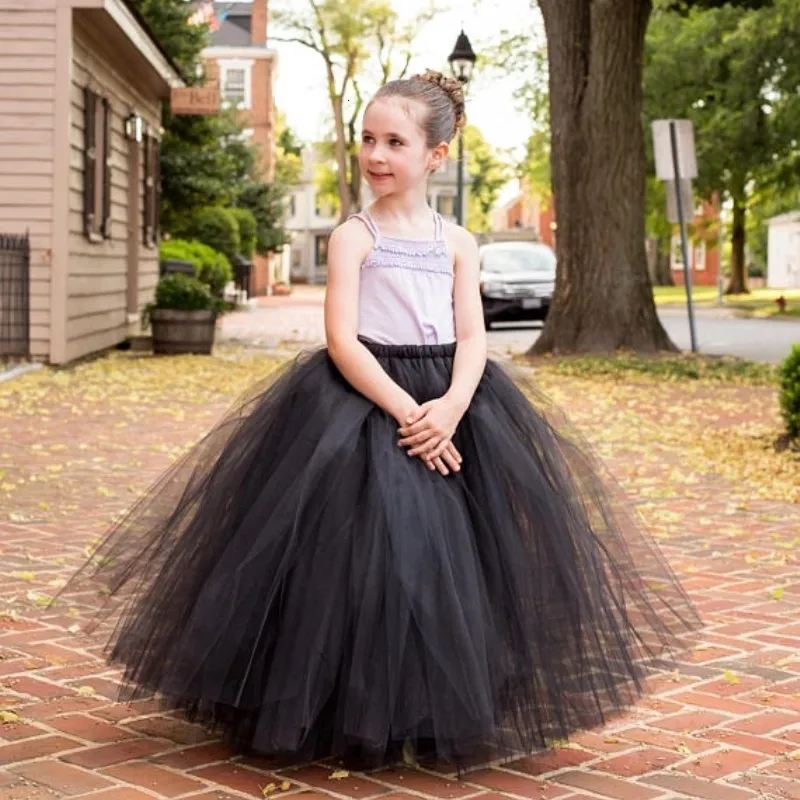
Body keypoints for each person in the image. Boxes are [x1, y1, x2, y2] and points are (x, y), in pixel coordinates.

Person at [60, 71, 698, 774]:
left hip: (455, 402)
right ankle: (342, 704)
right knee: (362, 559)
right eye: (368, 138)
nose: (376, 154)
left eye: (395, 141)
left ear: (436, 155)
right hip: (364, 403)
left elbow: (473, 336)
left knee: (452, 562)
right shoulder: (353, 236)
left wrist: (452, 406)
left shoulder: (458, 242)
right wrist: (407, 412)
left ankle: (437, 705)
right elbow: (343, 338)